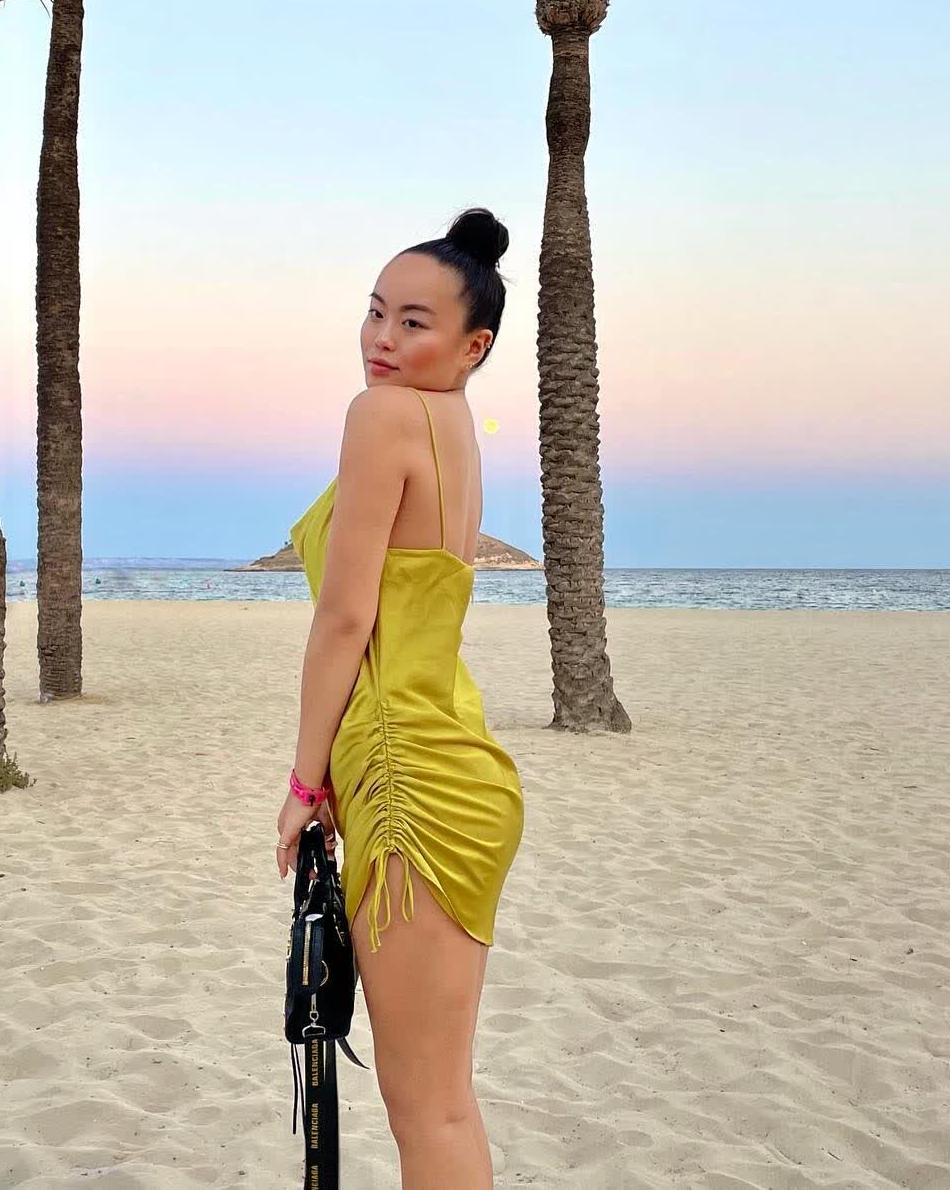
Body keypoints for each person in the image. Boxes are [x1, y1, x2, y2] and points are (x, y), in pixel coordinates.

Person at [279, 206, 525, 1190]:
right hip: (450, 763)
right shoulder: (452, 427)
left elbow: (346, 618)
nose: (382, 337)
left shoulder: (382, 416)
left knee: (428, 1107)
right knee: (442, 1100)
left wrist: (305, 783)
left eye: (414, 322)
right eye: (376, 311)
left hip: (408, 780)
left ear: (474, 345)